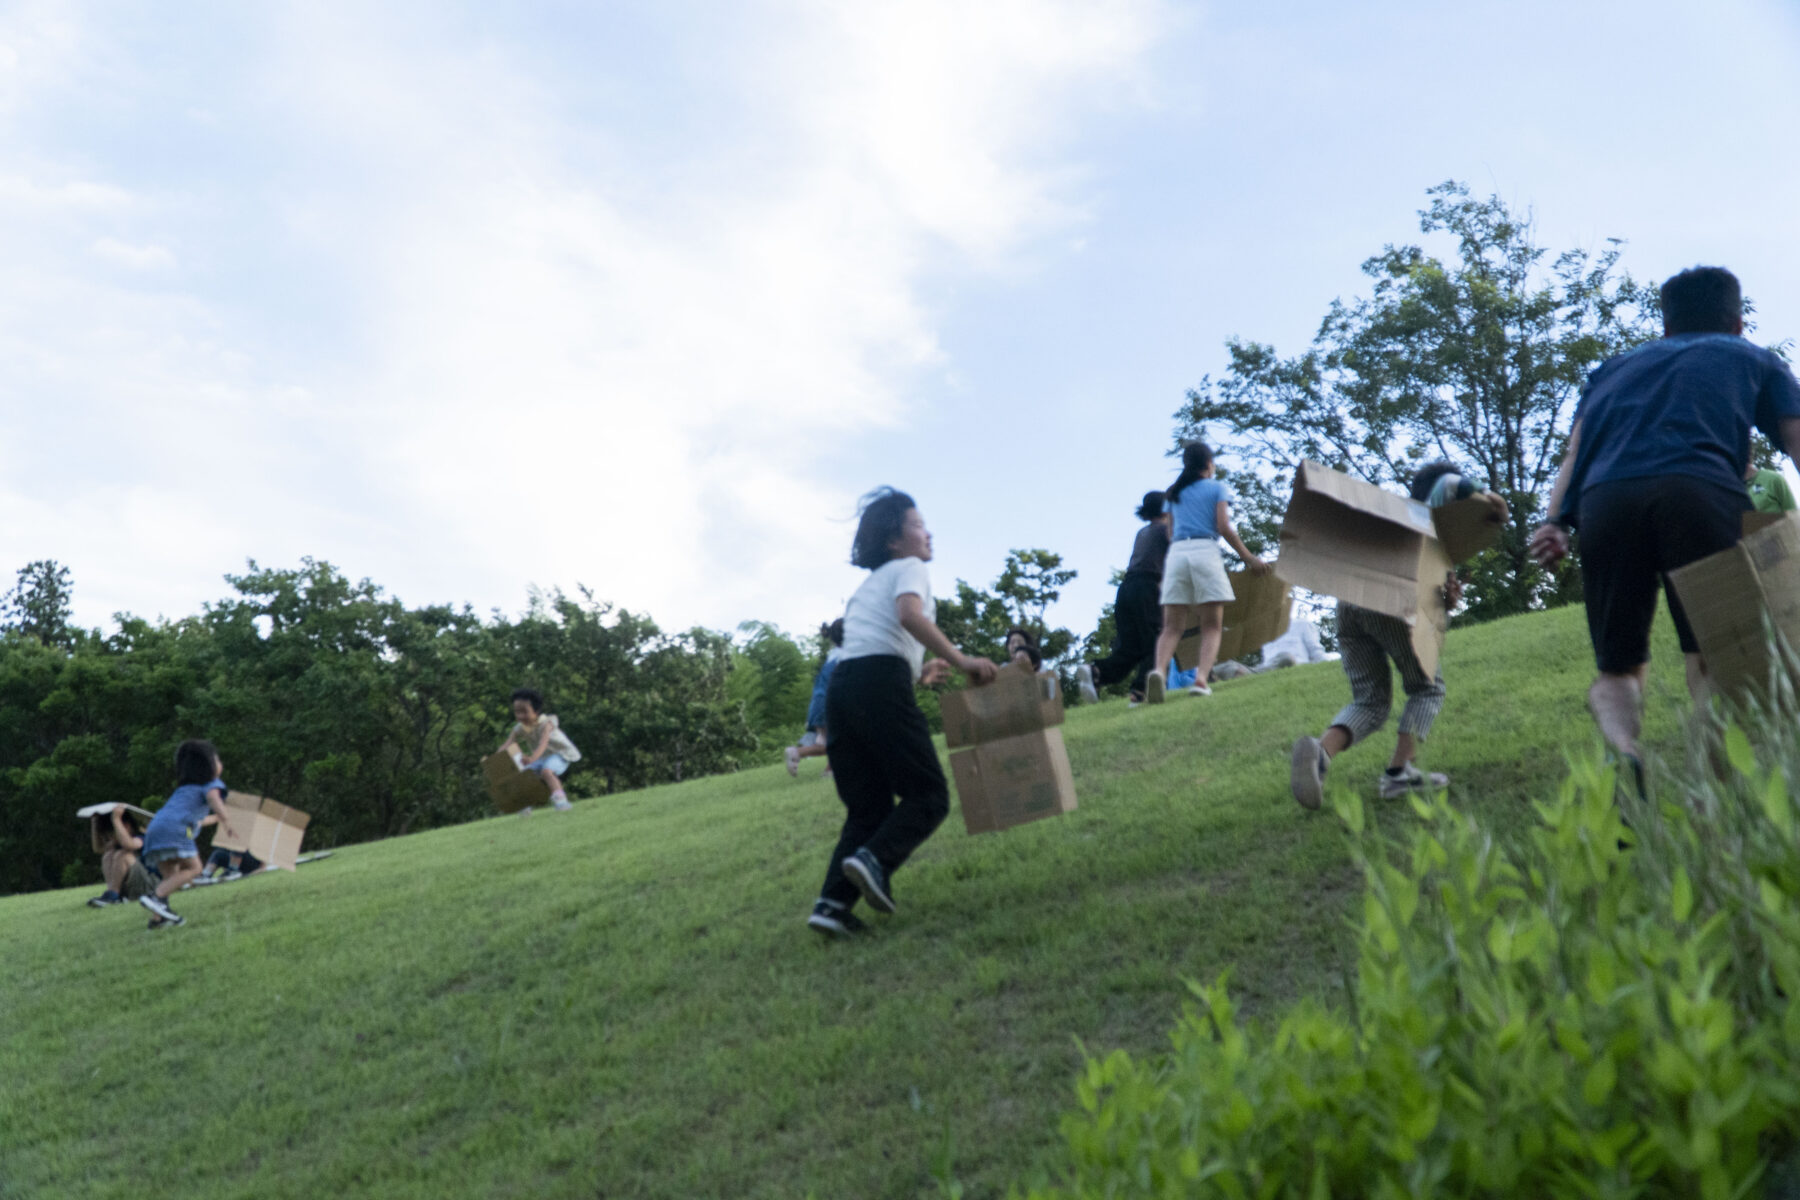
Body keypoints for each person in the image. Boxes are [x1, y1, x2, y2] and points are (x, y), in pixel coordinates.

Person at [1529, 266, 1800, 765]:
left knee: (1619, 668)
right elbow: (1794, 436)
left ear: (1667, 327)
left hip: (1605, 502)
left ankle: (1625, 750)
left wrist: (1554, 523)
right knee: (1713, 649)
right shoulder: (1751, 357)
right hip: (1700, 492)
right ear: (1737, 322)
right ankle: (1710, 788)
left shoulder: (1613, 370)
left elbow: (1575, 451)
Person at [808, 488, 998, 938]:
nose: (928, 533)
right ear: (895, 540)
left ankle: (832, 905)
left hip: (845, 691)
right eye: (917, 524)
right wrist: (962, 661)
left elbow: (874, 648)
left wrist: (918, 672)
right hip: (877, 683)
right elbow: (910, 615)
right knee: (928, 796)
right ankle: (874, 861)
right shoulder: (909, 568)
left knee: (868, 809)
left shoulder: (863, 589)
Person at [1290, 462, 1509, 809]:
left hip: (1349, 604)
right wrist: (1496, 503)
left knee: (1370, 701)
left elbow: (1434, 594)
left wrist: (1447, 598)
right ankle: (1399, 774)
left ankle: (1319, 756)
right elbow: (1460, 485)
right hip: (1390, 601)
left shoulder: (1412, 531)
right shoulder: (1427, 507)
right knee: (1428, 688)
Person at [1144, 442, 1271, 702]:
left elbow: (1170, 534)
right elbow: (1223, 527)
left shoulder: (1174, 494)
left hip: (1177, 554)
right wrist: (1248, 558)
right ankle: (1201, 680)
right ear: (1209, 463)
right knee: (1212, 625)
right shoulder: (1216, 488)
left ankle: (1158, 671)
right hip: (1205, 551)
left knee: (1171, 627)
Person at [1077, 492, 1170, 705]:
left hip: (1126, 588)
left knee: (1130, 648)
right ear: (1166, 510)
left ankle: (1096, 672)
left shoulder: (1142, 532)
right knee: (1158, 640)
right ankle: (1141, 690)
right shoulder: (1165, 531)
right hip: (1148, 587)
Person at [138, 740, 240, 929]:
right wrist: (227, 821)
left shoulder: (184, 789)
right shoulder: (211, 784)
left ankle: (159, 918)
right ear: (208, 765)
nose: (220, 763)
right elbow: (213, 799)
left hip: (156, 828)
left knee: (171, 876)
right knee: (195, 869)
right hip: (176, 830)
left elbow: (200, 820)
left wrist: (216, 819)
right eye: (217, 759)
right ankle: (156, 897)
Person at [496, 688, 579, 813]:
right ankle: (525, 805)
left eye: (524, 712)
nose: (520, 716)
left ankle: (562, 802)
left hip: (561, 754)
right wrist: (495, 758)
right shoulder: (519, 728)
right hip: (542, 757)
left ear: (536, 711)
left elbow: (543, 743)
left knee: (547, 771)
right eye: (517, 712)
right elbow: (508, 743)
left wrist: (531, 759)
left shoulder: (547, 723)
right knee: (523, 775)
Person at [786, 619, 845, 778]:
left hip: (819, 702)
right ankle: (797, 752)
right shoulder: (845, 656)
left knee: (834, 739)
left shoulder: (833, 655)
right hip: (829, 702)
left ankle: (830, 771)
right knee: (831, 743)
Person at [86, 807, 156, 907]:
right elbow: (98, 849)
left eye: (112, 833)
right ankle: (112, 893)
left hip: (150, 886)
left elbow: (129, 845)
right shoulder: (117, 844)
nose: (110, 838)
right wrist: (94, 822)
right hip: (135, 887)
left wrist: (116, 819)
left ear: (126, 827)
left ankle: (113, 896)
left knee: (123, 855)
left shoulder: (141, 838)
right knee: (108, 855)